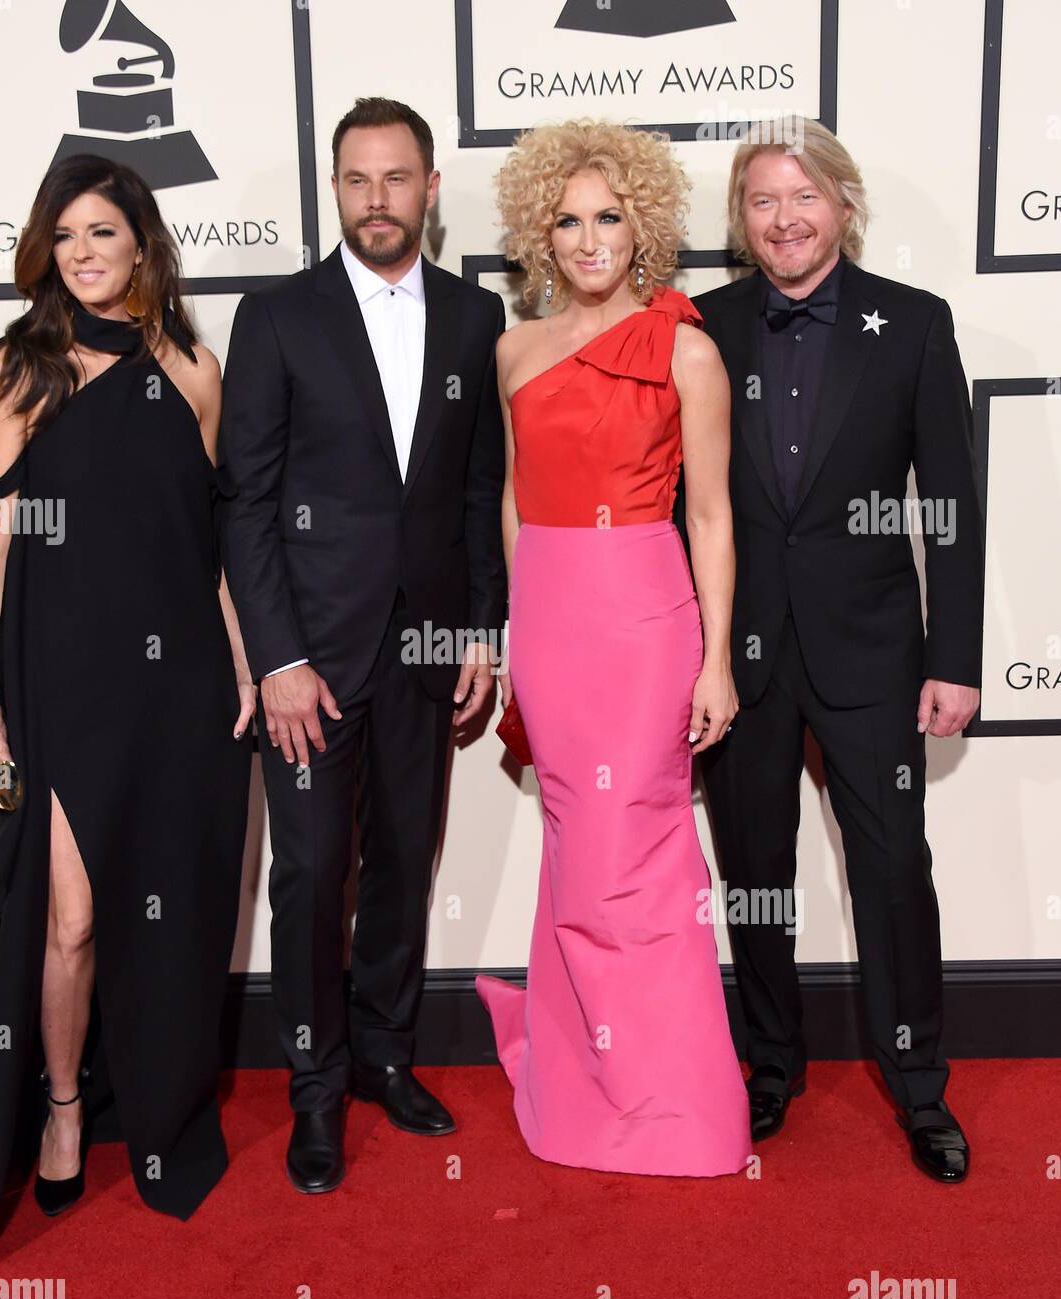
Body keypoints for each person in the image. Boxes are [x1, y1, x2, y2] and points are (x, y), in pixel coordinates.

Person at [0, 154, 256, 1274]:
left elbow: (210, 543)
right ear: (47, 249)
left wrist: (238, 663)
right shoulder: (21, 367)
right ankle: (68, 1105)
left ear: (143, 243)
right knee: (72, 917)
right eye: (68, 236)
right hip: (60, 674)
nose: (87, 254)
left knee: (171, 904)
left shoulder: (191, 366)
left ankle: (156, 1095)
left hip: (175, 676)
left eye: (106, 233)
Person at [218, 98, 507, 1193]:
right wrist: (278, 658)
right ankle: (313, 1090)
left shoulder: (478, 320)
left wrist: (482, 621)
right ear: (332, 190)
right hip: (310, 657)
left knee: (402, 860)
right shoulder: (279, 315)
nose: (376, 200)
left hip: (426, 646)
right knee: (306, 874)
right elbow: (243, 501)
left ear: (431, 189)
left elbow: (478, 490)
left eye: (397, 179)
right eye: (356, 180)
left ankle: (387, 1055)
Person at [690, 119, 983, 1181]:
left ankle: (920, 1088)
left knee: (894, 871)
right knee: (756, 875)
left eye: (803, 197)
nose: (785, 220)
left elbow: (948, 501)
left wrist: (953, 654)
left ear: (844, 204)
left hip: (872, 654)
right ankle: (771, 1070)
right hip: (744, 653)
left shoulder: (911, 324)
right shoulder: (703, 325)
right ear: (743, 219)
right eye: (763, 202)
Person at [475, 118, 750, 1177]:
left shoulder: (686, 348)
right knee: (571, 854)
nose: (590, 240)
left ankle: (673, 1103)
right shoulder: (512, 349)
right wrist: (516, 630)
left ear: (644, 225)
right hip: (551, 625)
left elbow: (713, 518)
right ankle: (587, 1082)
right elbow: (512, 498)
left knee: (633, 860)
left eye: (609, 217)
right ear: (540, 236)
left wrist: (715, 657)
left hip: (642, 623)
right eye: (567, 220)